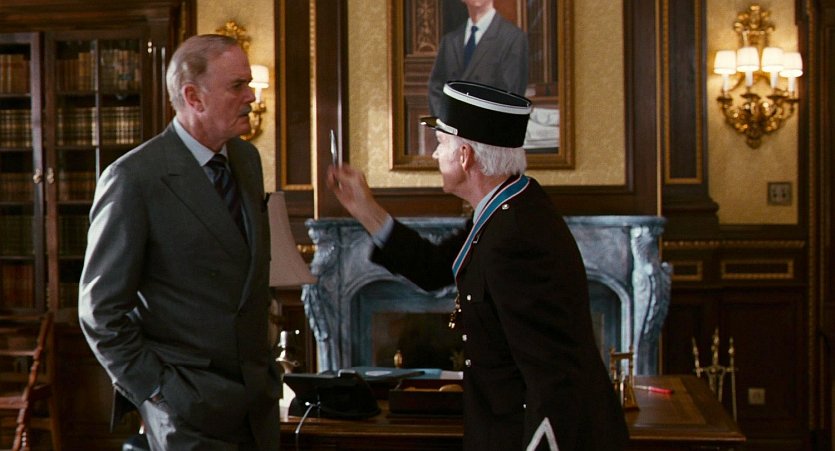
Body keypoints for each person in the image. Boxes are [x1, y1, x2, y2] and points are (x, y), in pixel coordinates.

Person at [327, 80, 628, 451]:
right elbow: (433, 268)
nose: (435, 154)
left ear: (465, 156)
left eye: (441, 144)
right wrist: (364, 208)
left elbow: (551, 373)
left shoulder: (515, 235)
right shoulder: (505, 211)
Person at [78, 34, 281, 450]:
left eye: (248, 84)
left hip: (256, 405)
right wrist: (156, 392)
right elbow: (99, 312)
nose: (251, 97)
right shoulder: (134, 178)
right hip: (187, 410)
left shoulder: (246, 160)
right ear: (193, 97)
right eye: (237, 86)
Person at [427, 0, 528, 116]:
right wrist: (444, 122)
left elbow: (509, 98)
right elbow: (436, 87)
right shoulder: (450, 41)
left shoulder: (513, 38)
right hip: (450, 124)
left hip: (488, 124)